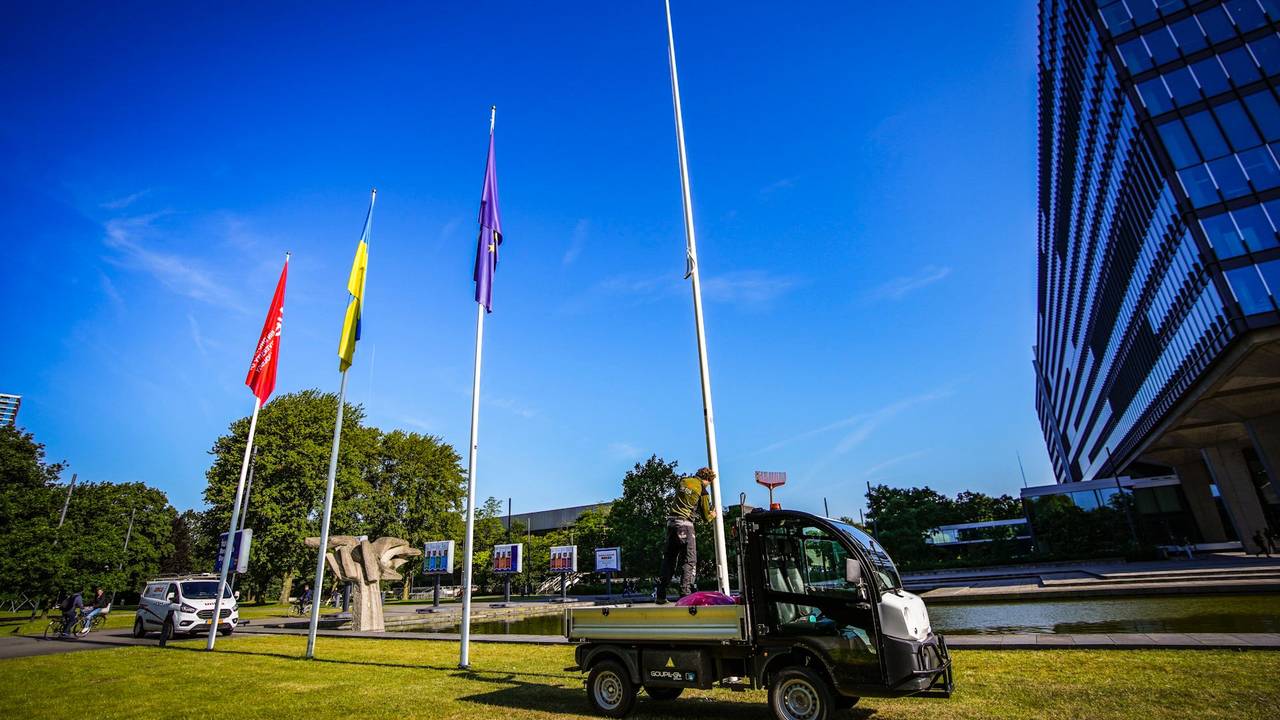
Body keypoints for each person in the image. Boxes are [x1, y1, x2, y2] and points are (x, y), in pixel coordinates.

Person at [655, 467, 717, 604]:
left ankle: (660, 594)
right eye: (709, 483)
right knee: (689, 560)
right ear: (707, 480)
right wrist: (713, 515)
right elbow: (706, 517)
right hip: (686, 526)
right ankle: (685, 595)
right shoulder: (703, 491)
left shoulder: (683, 481)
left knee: (669, 559)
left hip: (671, 524)